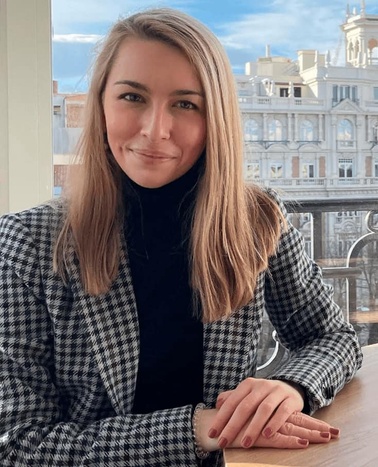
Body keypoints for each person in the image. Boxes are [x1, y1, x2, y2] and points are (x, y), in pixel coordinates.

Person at [0, 7, 363, 467]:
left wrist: (289, 387)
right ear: (100, 104)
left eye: (186, 104)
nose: (156, 130)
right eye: (133, 97)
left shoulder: (254, 218)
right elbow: (19, 444)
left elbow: (332, 336)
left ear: (216, 120)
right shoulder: (27, 243)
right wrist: (198, 427)